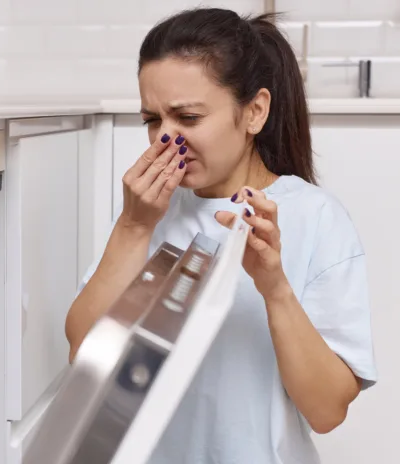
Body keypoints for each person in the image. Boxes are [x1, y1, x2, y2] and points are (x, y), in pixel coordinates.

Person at [64, 8, 377, 464]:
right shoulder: (147, 211)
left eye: (187, 117)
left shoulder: (316, 218)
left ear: (254, 112)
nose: (165, 139)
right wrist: (133, 228)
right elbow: (83, 356)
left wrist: (275, 289)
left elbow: (327, 411)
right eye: (152, 119)